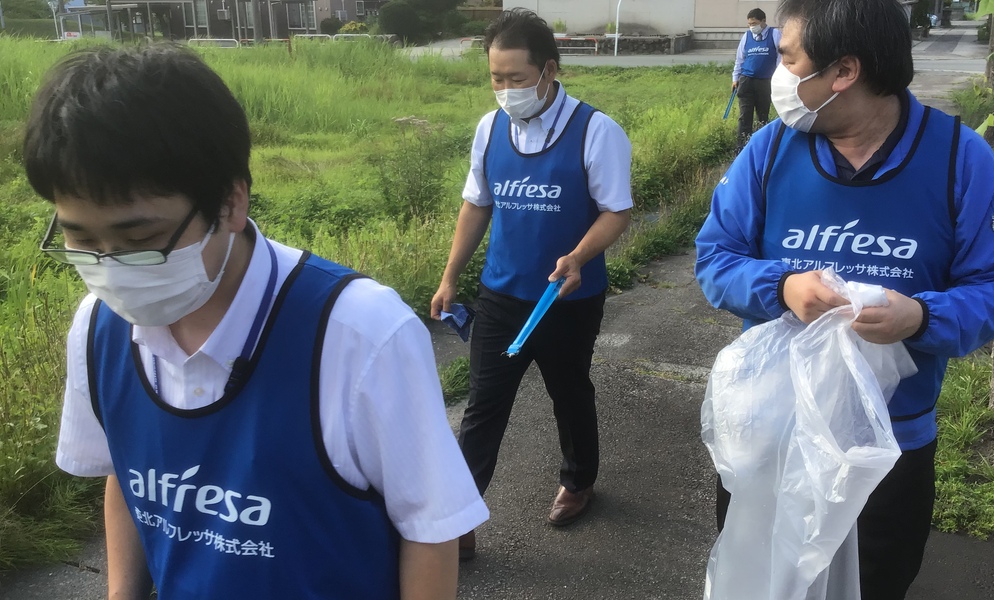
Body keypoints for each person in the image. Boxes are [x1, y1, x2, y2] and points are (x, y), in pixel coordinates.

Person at [24, 45, 488, 599]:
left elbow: (430, 532)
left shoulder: (358, 335)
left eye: (141, 240)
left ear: (230, 202)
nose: (112, 269)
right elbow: (124, 478)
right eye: (80, 240)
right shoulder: (99, 329)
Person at [694, 0, 994, 598]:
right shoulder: (770, 151)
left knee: (876, 582)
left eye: (790, 58)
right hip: (775, 435)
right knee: (761, 579)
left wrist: (922, 316)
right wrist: (782, 286)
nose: (779, 74)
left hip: (889, 446)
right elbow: (715, 259)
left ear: (843, 72)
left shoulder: (957, 158)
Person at [430, 9, 632, 558]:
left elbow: (616, 211)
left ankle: (578, 479)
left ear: (549, 71)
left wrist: (580, 257)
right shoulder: (490, 128)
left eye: (516, 79)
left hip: (567, 299)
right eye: (496, 78)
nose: (505, 90)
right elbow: (477, 203)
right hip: (501, 296)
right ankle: (459, 522)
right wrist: (451, 277)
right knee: (483, 405)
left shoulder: (596, 131)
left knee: (568, 392)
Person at [731, 8, 782, 149]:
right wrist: (735, 78)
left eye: (754, 23)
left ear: (763, 21)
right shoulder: (747, 37)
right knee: (744, 116)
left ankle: (761, 147)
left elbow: (780, 58)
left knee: (762, 115)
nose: (752, 26)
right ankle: (742, 147)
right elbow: (739, 59)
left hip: (765, 82)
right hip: (746, 80)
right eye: (749, 24)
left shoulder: (775, 34)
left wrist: (777, 79)